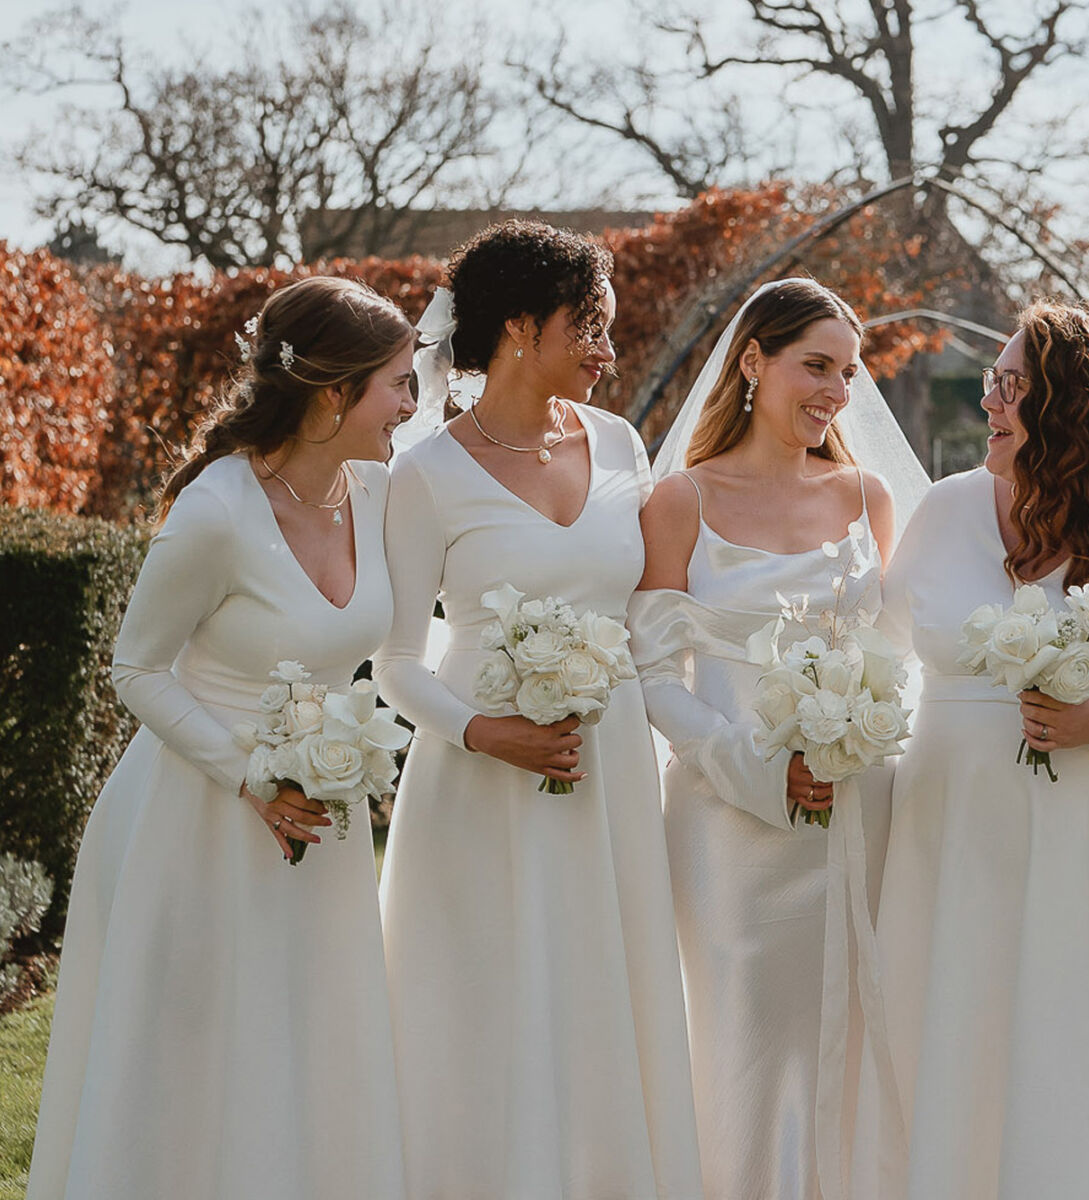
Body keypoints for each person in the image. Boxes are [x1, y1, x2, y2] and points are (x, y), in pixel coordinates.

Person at [26, 276, 416, 1200]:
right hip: (195, 817)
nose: (412, 405)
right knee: (193, 1049)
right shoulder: (216, 512)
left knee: (310, 1037)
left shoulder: (379, 493)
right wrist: (250, 776)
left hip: (318, 815)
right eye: (398, 385)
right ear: (333, 394)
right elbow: (136, 669)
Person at [860, 299, 1089, 1200]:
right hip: (955, 838)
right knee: (961, 1034)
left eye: (1011, 384)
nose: (990, 400)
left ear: (1070, 405)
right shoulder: (946, 509)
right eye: (994, 382)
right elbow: (879, 654)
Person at [372, 219, 702, 1199]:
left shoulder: (621, 442)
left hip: (607, 768)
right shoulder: (424, 472)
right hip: (478, 774)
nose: (608, 351)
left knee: (606, 985)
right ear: (520, 326)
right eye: (589, 327)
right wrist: (487, 731)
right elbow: (394, 661)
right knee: (484, 992)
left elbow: (652, 611)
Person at [629, 277, 930, 1200]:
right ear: (752, 361)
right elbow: (651, 679)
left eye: (848, 372)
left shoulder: (868, 495)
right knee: (748, 1033)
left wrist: (865, 739)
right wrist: (755, 767)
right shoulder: (681, 500)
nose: (836, 391)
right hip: (729, 822)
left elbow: (901, 659)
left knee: (855, 1027)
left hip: (856, 809)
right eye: (815, 366)